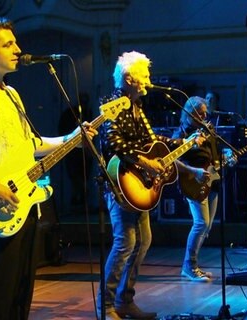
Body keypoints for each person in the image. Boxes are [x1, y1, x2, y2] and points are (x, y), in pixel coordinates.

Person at [0, 17, 96, 320]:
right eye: (8, 44)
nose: (18, 49)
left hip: (23, 202)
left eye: (15, 42)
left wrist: (71, 140)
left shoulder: (11, 94)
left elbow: (32, 145)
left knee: (20, 291)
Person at [97, 51, 204, 319]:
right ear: (129, 78)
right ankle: (106, 306)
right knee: (125, 243)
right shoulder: (113, 103)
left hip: (139, 186)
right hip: (119, 185)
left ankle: (125, 300)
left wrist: (182, 144)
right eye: (144, 75)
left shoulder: (137, 106)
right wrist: (145, 163)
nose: (148, 80)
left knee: (143, 240)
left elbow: (151, 138)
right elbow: (113, 143)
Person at [172, 96, 233, 281]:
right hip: (193, 183)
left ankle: (192, 264)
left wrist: (226, 155)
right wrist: (194, 171)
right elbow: (172, 161)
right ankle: (189, 266)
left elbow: (214, 154)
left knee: (206, 228)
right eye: (201, 113)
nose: (205, 115)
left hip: (212, 182)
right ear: (190, 114)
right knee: (201, 223)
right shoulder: (180, 134)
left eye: (206, 112)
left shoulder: (208, 129)